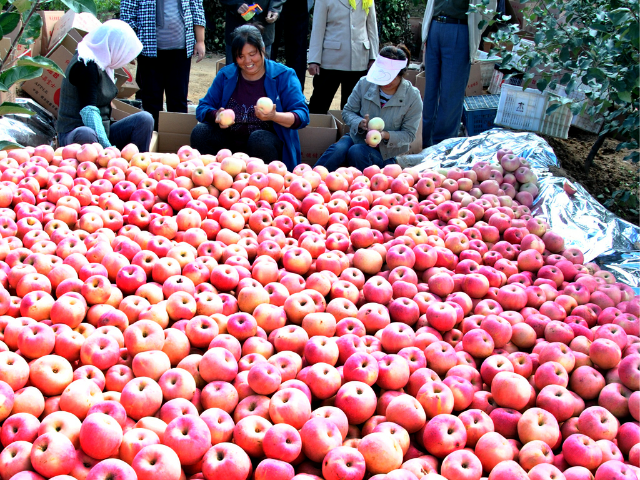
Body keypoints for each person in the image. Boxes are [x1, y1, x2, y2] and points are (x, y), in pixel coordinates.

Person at [191, 25, 309, 171]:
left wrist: (274, 116)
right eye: (240, 56)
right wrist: (217, 115)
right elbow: (202, 107)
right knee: (201, 132)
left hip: (266, 150)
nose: (247, 61)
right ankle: (210, 180)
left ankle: (265, 186)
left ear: (263, 49)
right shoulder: (226, 75)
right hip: (230, 150)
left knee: (259, 139)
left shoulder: (284, 76)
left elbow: (302, 116)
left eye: (252, 54)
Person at [314, 45, 422, 172]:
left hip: (387, 152)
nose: (385, 82)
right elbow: (348, 111)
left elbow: (409, 134)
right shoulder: (364, 83)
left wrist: (385, 135)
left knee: (357, 152)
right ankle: (310, 178)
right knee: (337, 150)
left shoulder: (412, 96)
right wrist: (359, 122)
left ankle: (364, 188)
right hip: (358, 137)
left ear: (401, 74)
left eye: (390, 77)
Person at [56, 20, 154, 152]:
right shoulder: (86, 64)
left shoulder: (103, 62)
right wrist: (108, 149)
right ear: (114, 46)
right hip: (76, 135)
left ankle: (138, 165)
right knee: (87, 134)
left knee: (144, 119)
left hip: (101, 131)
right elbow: (89, 113)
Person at [421, 0, 496, 148]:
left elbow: (489, 8)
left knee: (451, 93)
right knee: (429, 90)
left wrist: (476, 28)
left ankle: (442, 146)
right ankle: (422, 142)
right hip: (434, 26)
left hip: (459, 27)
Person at [121, 0, 206, 130]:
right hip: (148, 51)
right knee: (151, 100)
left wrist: (200, 41)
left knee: (178, 100)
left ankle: (177, 141)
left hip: (180, 50)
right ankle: (151, 140)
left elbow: (196, 8)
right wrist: (130, 46)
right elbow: (127, 14)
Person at [307, 0, 379, 114]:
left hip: (359, 60)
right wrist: (314, 60)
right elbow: (318, 28)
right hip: (330, 60)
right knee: (318, 105)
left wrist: (373, 58)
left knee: (353, 109)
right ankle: (315, 130)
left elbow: (372, 28)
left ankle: (349, 132)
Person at [220, 0, 286, 65]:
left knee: (264, 72)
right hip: (236, 25)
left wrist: (274, 8)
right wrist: (236, 3)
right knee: (233, 73)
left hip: (265, 26)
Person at [272, 0, 313, 89]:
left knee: (297, 54)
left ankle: (295, 96)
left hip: (300, 5)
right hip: (270, 3)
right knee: (269, 49)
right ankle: (265, 94)